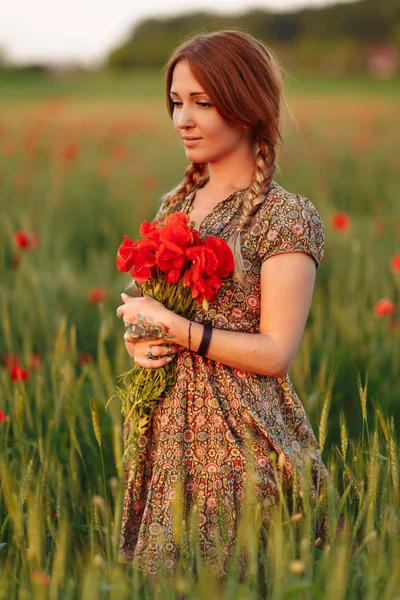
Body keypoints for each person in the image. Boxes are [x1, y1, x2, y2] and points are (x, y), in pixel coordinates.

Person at [116, 29, 331, 580]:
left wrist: (178, 328)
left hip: (242, 442)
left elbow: (276, 352)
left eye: (202, 103)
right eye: (176, 102)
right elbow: (160, 313)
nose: (182, 119)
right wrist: (142, 337)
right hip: (168, 436)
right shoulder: (177, 204)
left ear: (247, 107)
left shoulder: (284, 218)